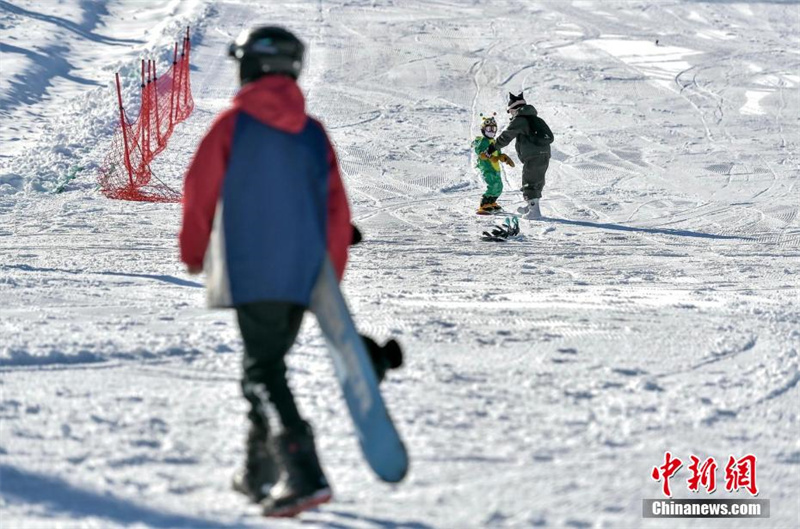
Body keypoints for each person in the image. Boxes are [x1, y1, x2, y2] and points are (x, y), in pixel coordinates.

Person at [179, 26, 401, 518]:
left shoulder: (232, 125)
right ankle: (256, 470)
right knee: (268, 364)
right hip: (303, 278)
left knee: (261, 372)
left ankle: (302, 472)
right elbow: (336, 213)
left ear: (251, 67)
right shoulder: (312, 132)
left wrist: (195, 253)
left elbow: (199, 194)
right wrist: (328, 281)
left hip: (253, 274)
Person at [486, 92, 554, 218]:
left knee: (530, 181)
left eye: (510, 111)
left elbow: (507, 136)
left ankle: (534, 212)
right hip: (544, 154)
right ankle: (530, 207)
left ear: (514, 109)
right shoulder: (535, 119)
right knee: (536, 180)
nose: (510, 114)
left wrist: (493, 147)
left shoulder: (520, 120)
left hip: (533, 155)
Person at [472, 113, 515, 214]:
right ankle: (484, 204)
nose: (491, 131)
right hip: (487, 168)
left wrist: (504, 158)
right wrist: (494, 158)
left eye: (493, 129)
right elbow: (481, 155)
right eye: (489, 129)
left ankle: (491, 202)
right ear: (483, 130)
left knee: (499, 186)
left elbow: (498, 154)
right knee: (492, 185)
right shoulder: (483, 141)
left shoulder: (494, 142)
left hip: (495, 169)